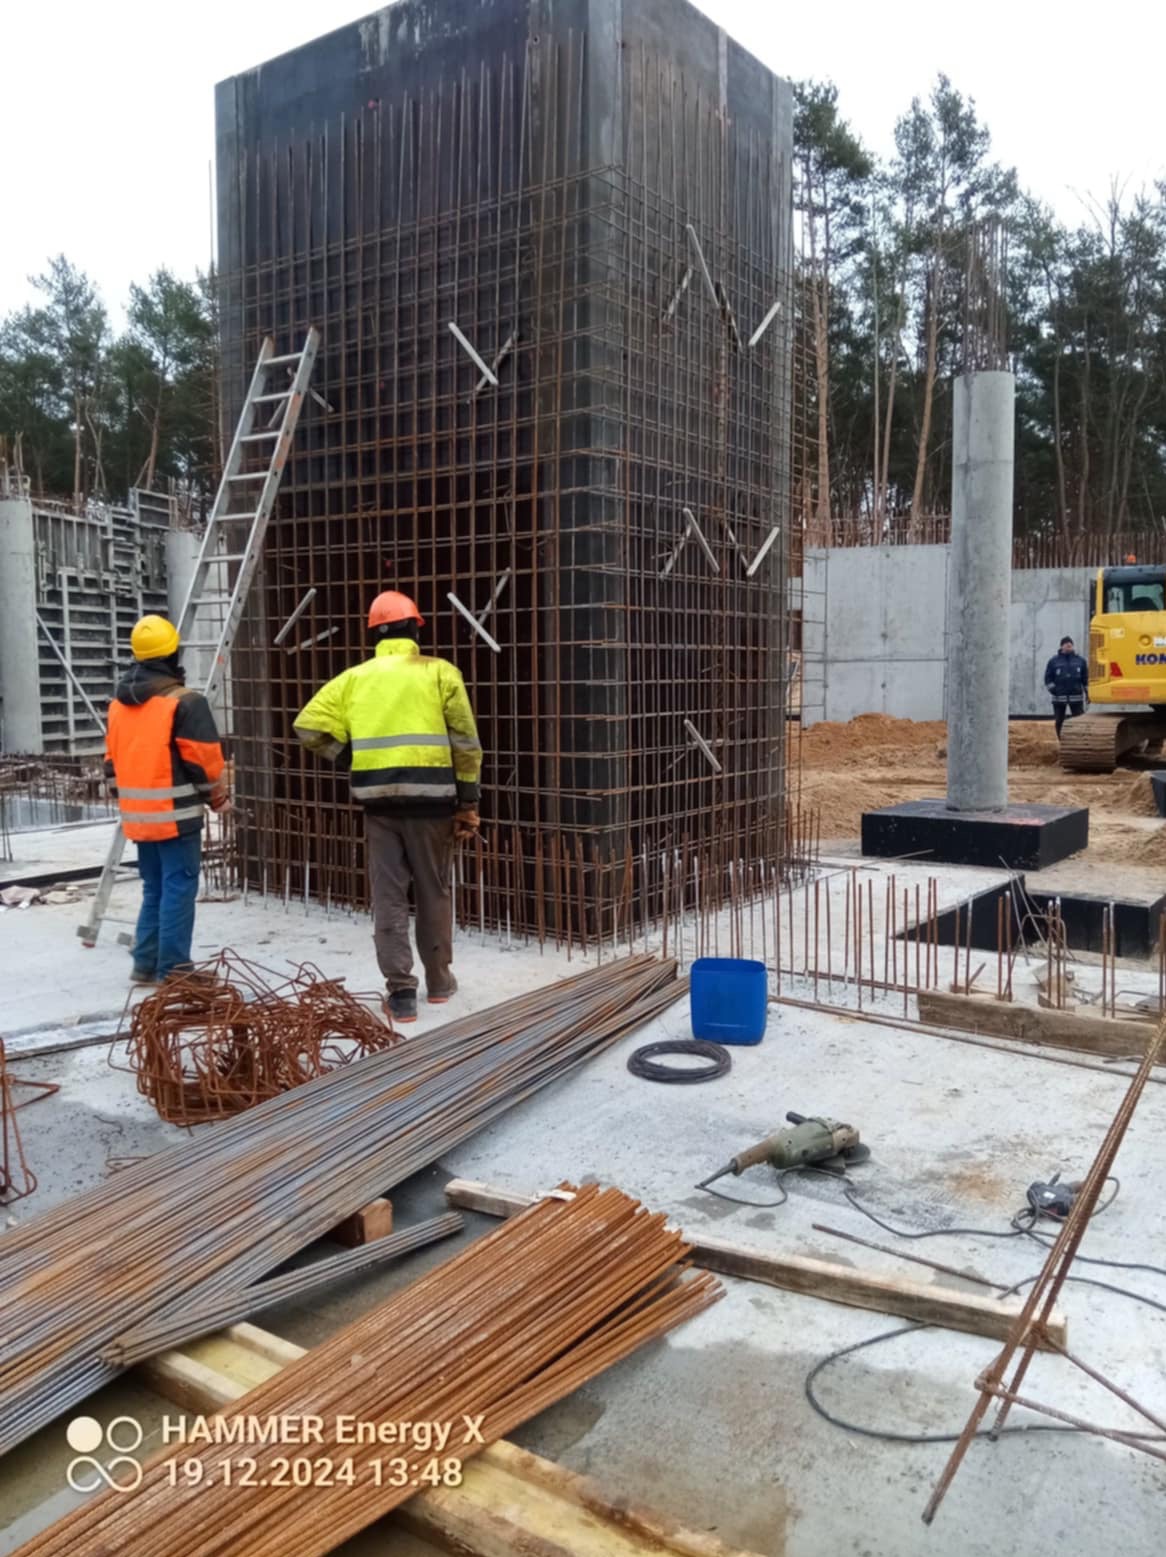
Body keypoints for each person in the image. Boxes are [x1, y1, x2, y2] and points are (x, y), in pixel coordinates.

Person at [294, 590, 482, 1024]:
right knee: (434, 891)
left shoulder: (353, 679)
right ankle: (440, 983)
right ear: (415, 629)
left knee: (389, 897)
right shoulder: (440, 672)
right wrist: (468, 800)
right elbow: (465, 743)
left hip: (379, 806)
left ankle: (401, 993)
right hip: (433, 804)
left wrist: (351, 758)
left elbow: (308, 725)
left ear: (375, 634)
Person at [103, 615, 230, 984]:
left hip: (138, 817)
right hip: (175, 817)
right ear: (174, 653)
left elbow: (110, 765)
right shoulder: (185, 703)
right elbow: (204, 763)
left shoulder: (119, 705)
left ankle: (145, 963)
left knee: (155, 887)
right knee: (179, 886)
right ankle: (175, 971)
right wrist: (218, 799)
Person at [1044, 635, 1089, 737]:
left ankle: (1078, 740)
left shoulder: (1080, 661)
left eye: (1070, 644)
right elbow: (1048, 678)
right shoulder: (1053, 661)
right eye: (1066, 644)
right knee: (1059, 721)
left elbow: (1085, 679)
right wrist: (1055, 691)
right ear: (1061, 646)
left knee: (1079, 721)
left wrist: (1088, 693)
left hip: (1076, 698)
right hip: (1059, 699)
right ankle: (1061, 740)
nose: (1069, 645)